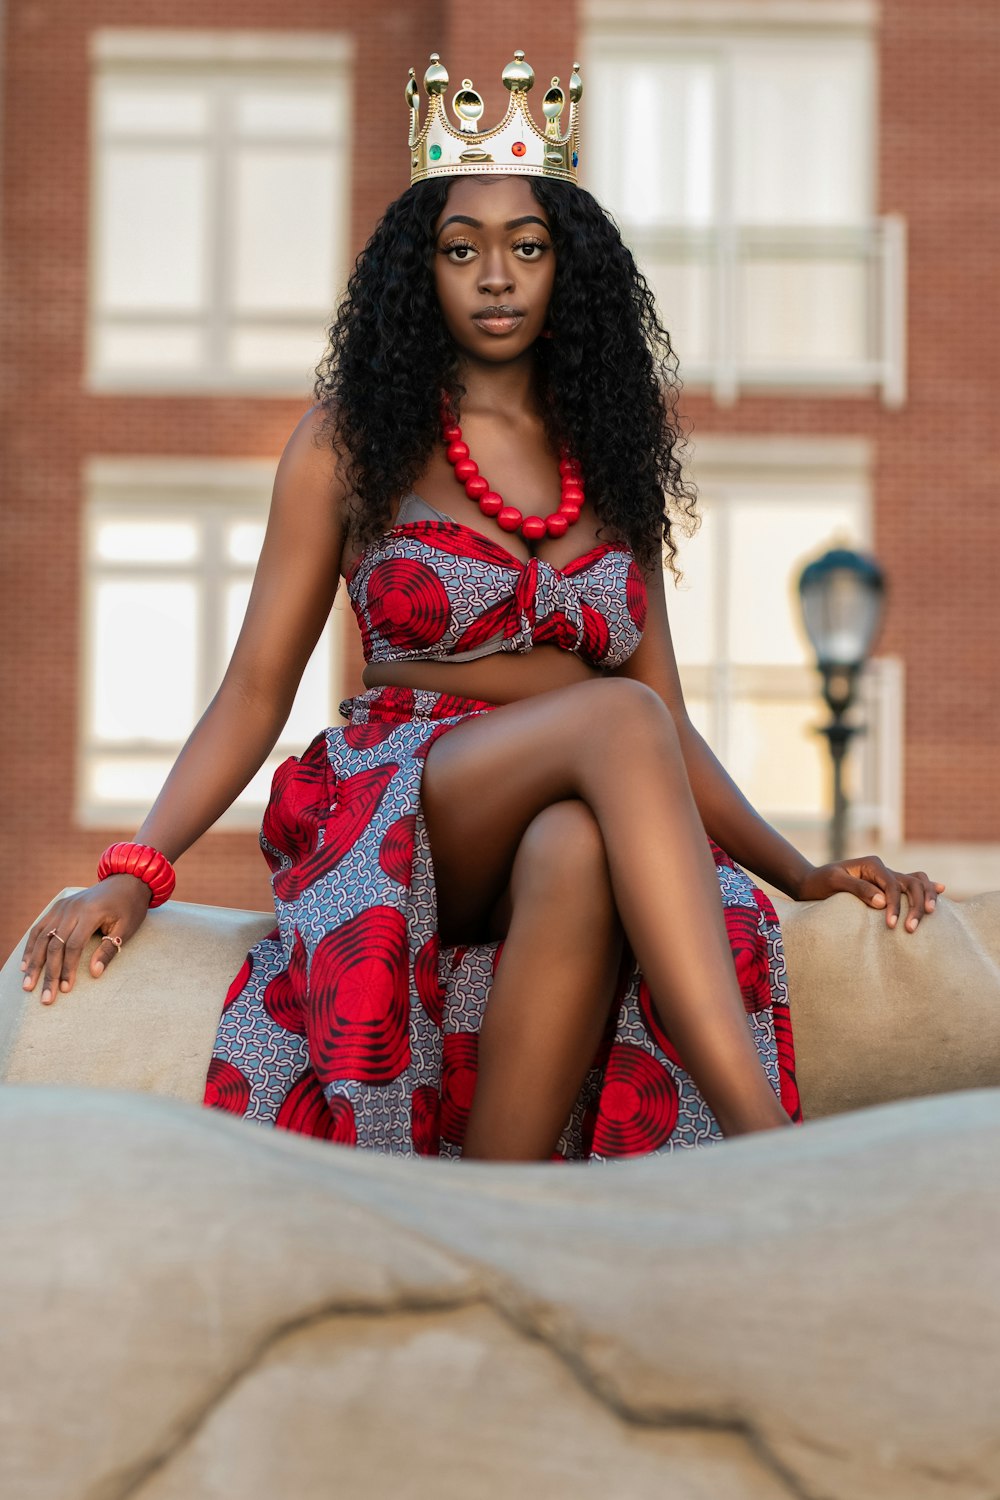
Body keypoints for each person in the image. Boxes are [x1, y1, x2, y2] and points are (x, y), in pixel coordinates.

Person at [20, 51, 942, 1161]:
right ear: (424, 275)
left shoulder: (610, 456)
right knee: (613, 720)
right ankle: (771, 1153)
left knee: (576, 845)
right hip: (410, 803)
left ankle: (495, 1206)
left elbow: (669, 723)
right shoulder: (349, 441)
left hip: (577, 798)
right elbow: (258, 685)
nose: (495, 278)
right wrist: (138, 870)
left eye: (525, 248)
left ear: (568, 268)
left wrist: (801, 873)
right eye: (462, 252)